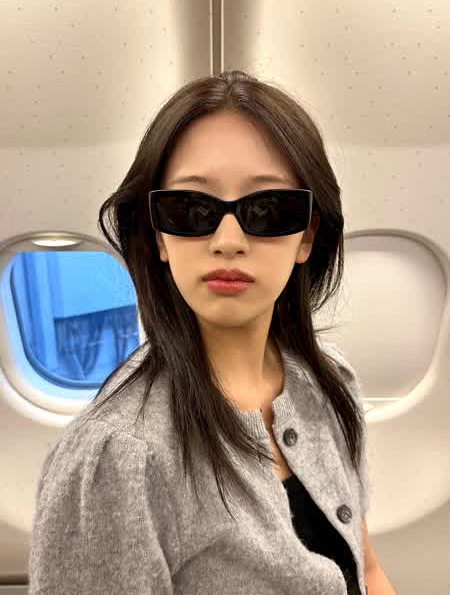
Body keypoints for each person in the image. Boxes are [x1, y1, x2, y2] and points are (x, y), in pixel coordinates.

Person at [28, 70, 392, 594]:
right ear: (158, 236)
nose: (228, 239)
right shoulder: (117, 457)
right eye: (192, 209)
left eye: (266, 210)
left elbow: (368, 571)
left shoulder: (329, 381)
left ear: (306, 236)